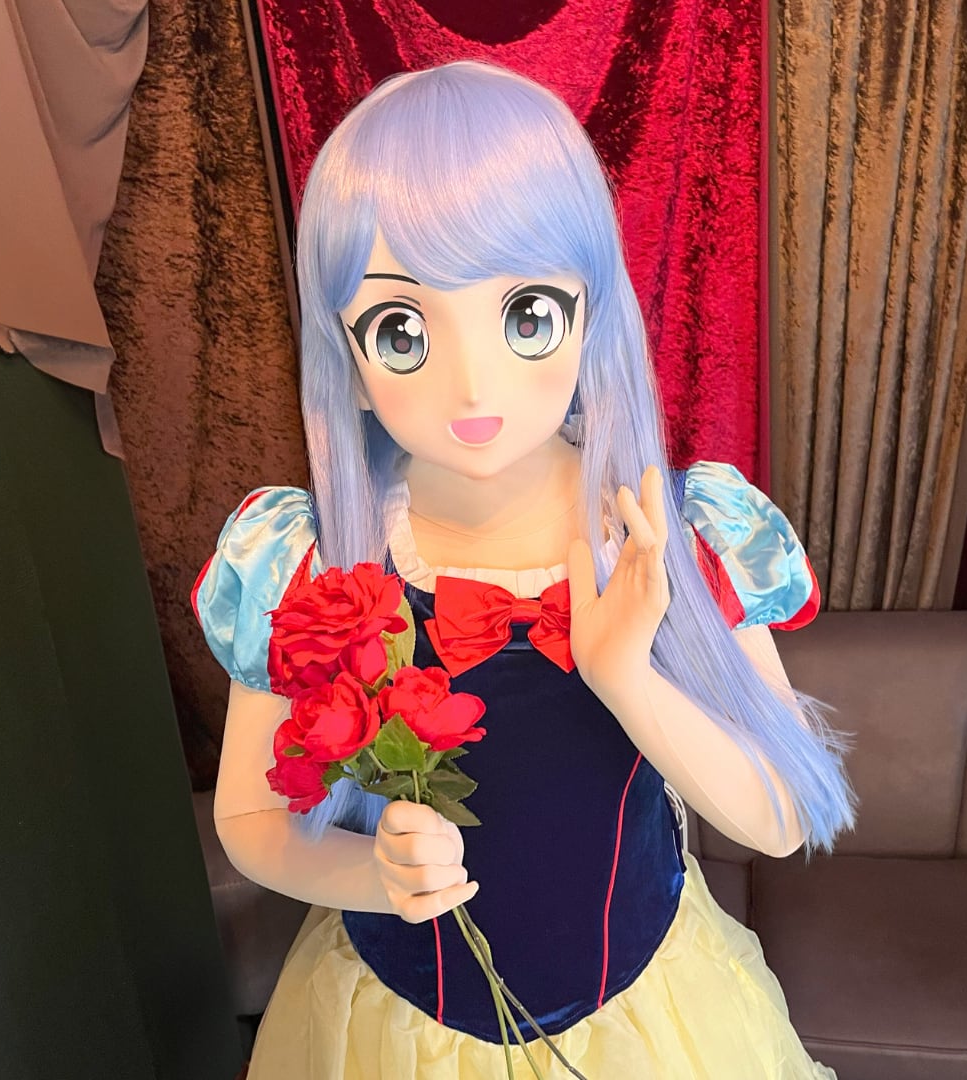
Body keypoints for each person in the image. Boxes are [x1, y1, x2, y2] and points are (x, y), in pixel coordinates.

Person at [194, 60, 855, 1079]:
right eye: (403, 331)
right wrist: (371, 873)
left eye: (526, 316)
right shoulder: (302, 560)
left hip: (651, 1021)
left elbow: (777, 816)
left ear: (592, 316)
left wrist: (626, 676)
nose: (474, 386)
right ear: (347, 359)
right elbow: (248, 816)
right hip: (396, 1029)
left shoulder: (681, 534)